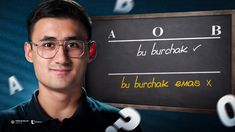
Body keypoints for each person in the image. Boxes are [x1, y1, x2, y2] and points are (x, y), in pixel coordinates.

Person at [0, 0, 142, 131]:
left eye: (73, 45)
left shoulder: (122, 125)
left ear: (90, 52)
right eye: (48, 45)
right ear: (29, 52)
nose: (61, 58)